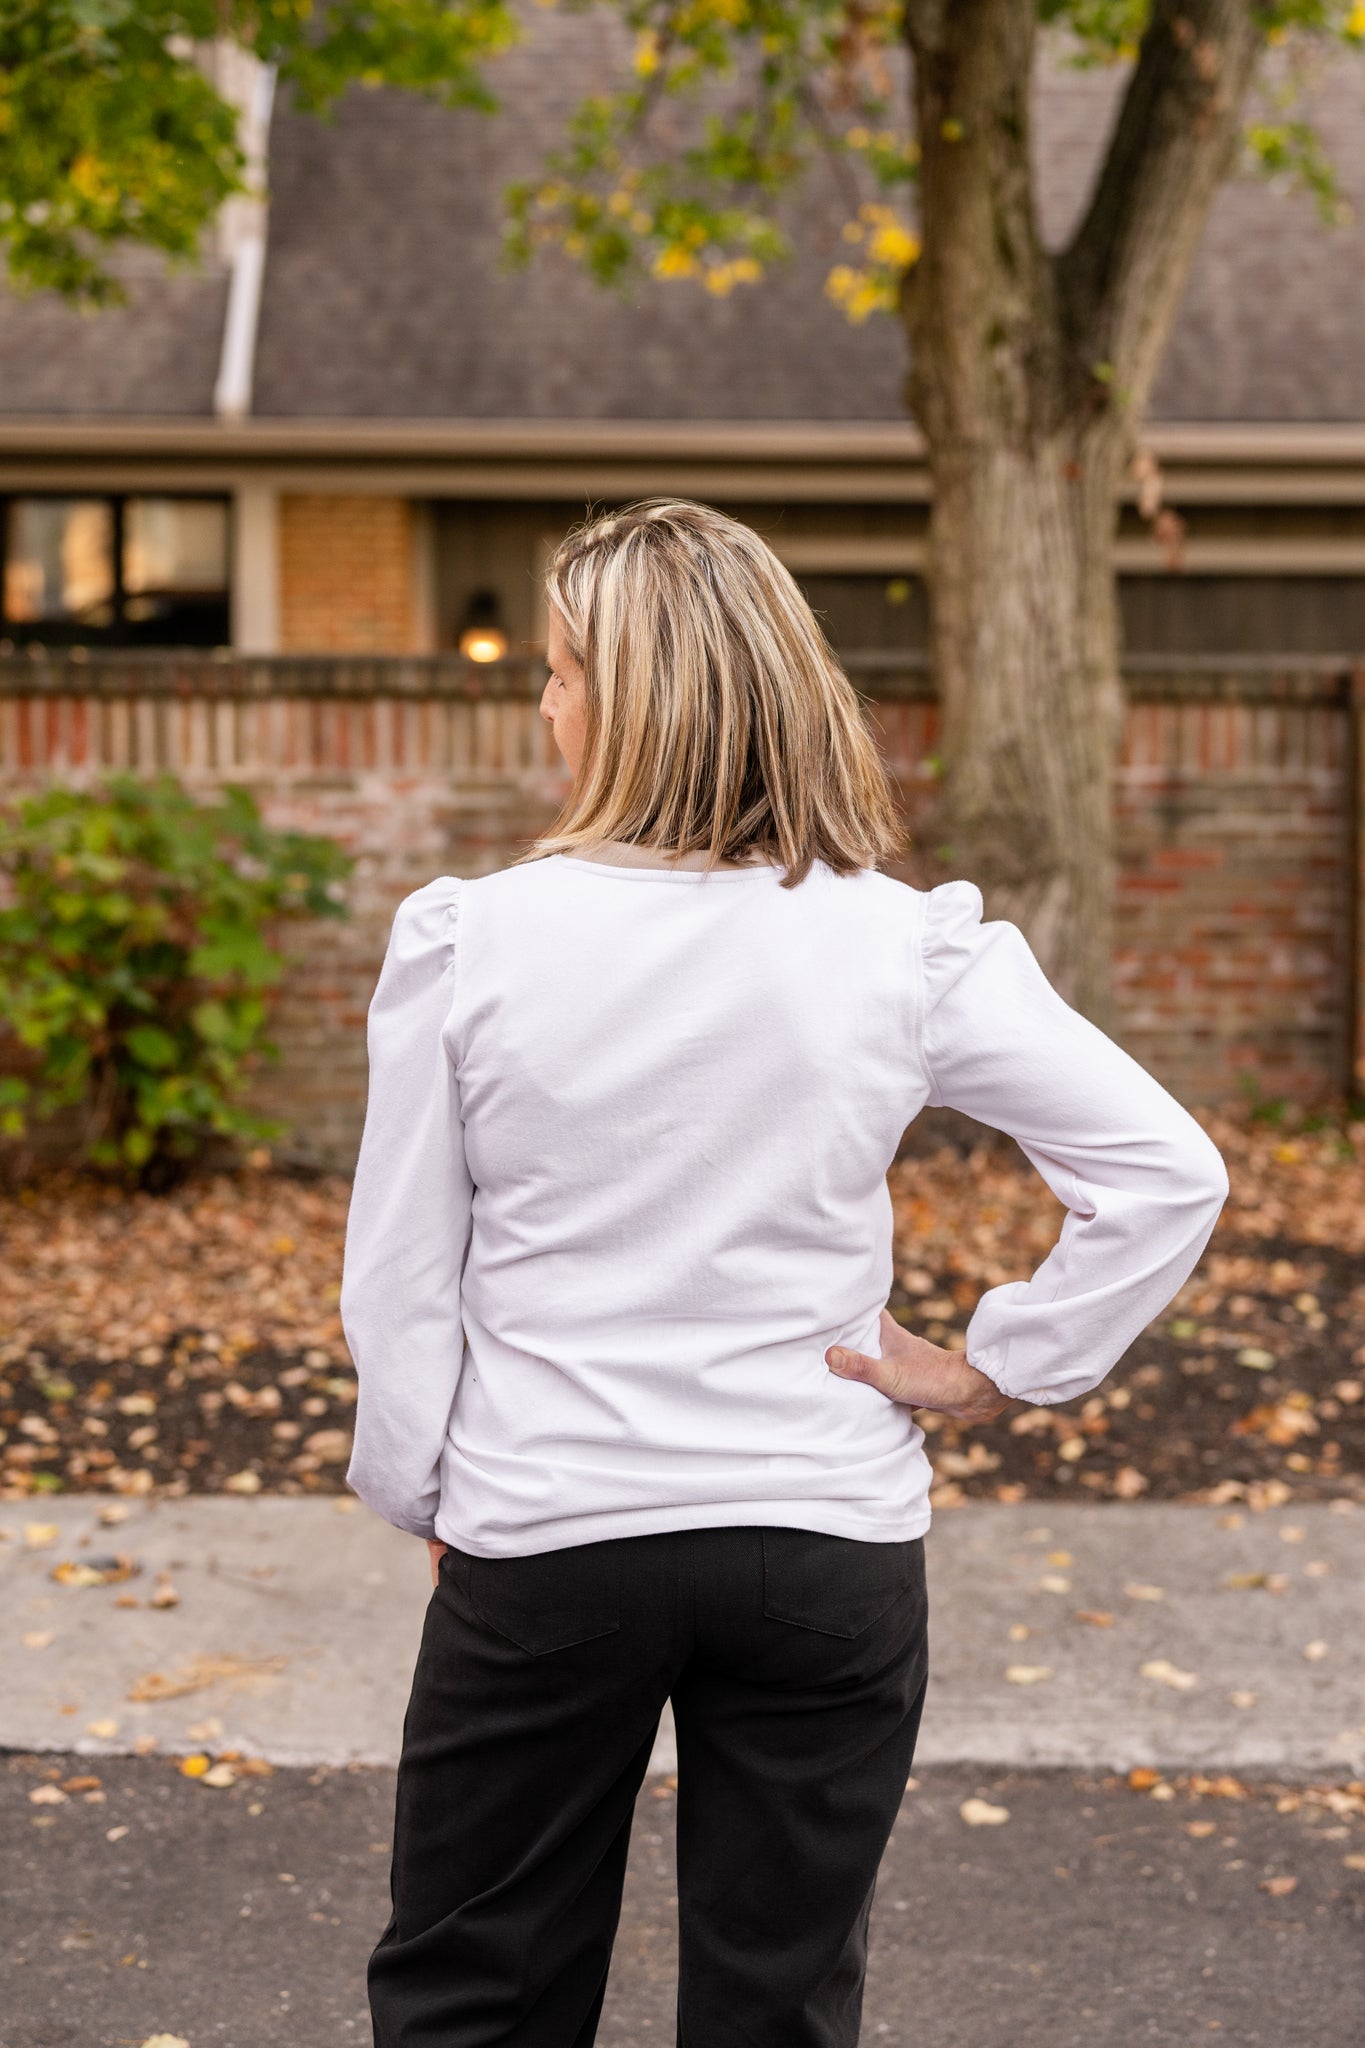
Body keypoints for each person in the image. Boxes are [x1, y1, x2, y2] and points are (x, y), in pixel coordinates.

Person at [340, 497, 1229, 2048]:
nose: (542, 702)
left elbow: (405, 1269)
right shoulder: (906, 945)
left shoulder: (471, 940)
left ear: (633, 702)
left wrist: (428, 1491)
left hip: (552, 1529)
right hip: (820, 1542)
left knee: (476, 1993)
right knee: (779, 2008)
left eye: (560, 670)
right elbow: (1166, 1170)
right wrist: (1001, 1363)